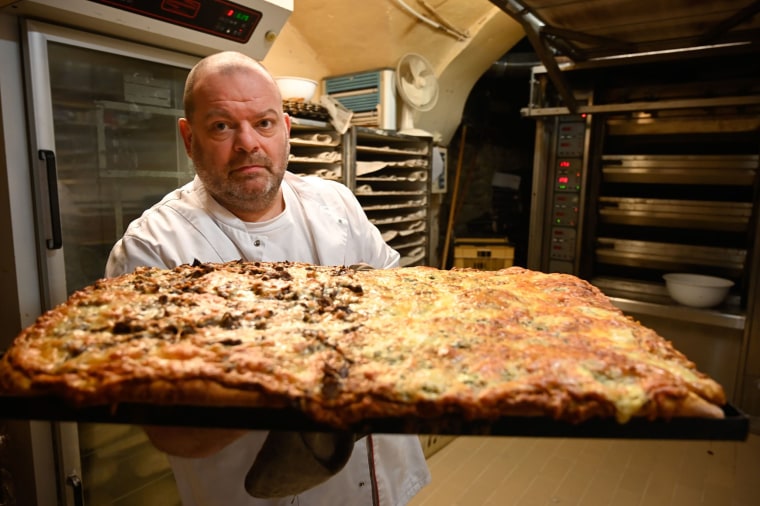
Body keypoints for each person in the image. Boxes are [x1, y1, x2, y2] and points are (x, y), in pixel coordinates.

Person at [105, 51, 430, 505]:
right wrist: (308, 374)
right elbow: (172, 430)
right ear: (188, 137)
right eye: (221, 126)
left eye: (264, 123)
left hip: (381, 478)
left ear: (287, 130)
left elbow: (405, 309)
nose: (248, 144)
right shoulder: (154, 249)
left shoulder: (335, 203)